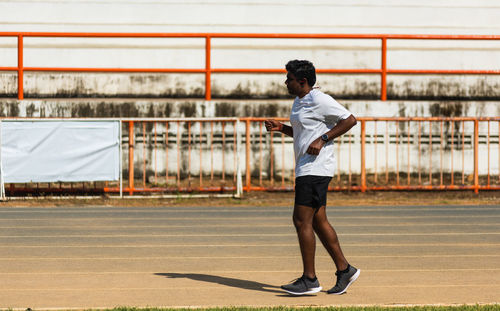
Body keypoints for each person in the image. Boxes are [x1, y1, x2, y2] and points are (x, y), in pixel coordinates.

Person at [265, 60, 359, 296]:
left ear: (303, 81)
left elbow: (350, 120)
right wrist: (281, 128)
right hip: (306, 168)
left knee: (300, 220)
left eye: (289, 79)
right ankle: (344, 269)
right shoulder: (299, 102)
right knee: (318, 221)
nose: (286, 82)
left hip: (315, 169)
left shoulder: (319, 99)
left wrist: (324, 139)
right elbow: (303, 133)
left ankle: (309, 279)